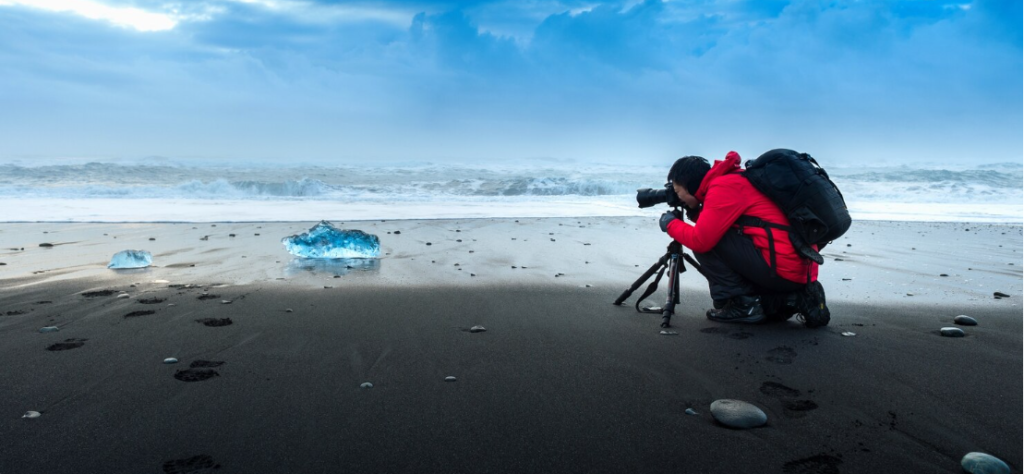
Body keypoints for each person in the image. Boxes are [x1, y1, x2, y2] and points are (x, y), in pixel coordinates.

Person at [657, 151, 830, 327]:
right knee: (713, 235)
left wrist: (670, 224)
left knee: (706, 243)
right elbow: (731, 220)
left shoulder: (722, 187)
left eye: (678, 192)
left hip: (783, 269)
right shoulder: (735, 179)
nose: (678, 198)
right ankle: (794, 299)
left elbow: (701, 240)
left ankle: (745, 306)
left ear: (690, 186)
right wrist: (695, 213)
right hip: (798, 268)